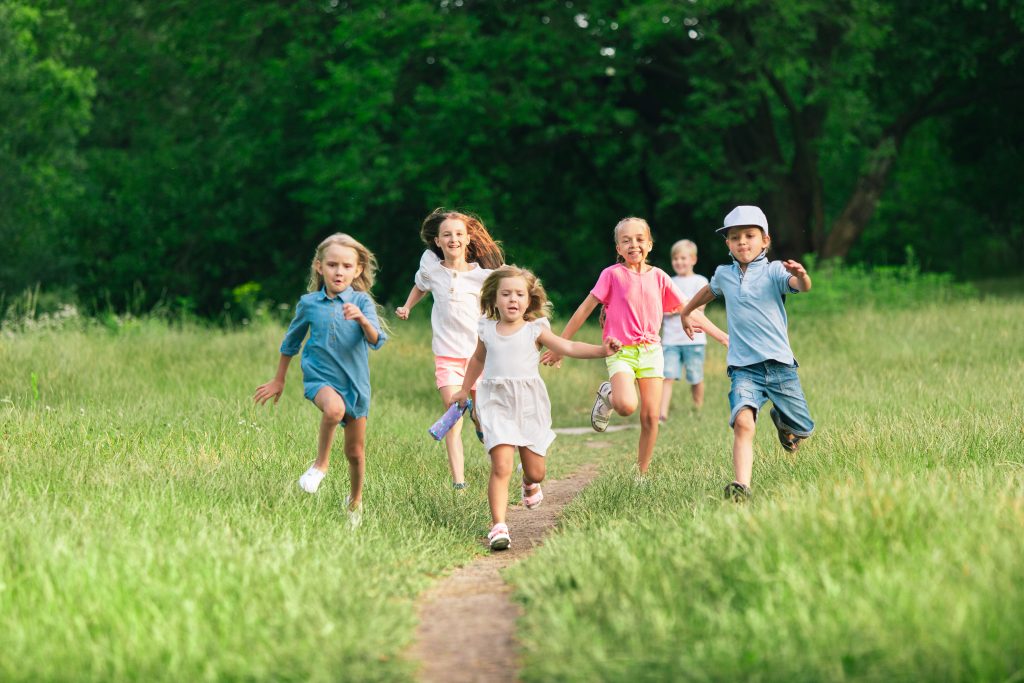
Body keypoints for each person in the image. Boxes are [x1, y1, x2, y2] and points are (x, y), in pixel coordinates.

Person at [541, 217, 728, 477]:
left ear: (649, 244)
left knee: (651, 418)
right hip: (621, 352)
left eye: (640, 239)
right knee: (627, 406)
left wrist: (723, 337)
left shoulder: (660, 277)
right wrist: (560, 345)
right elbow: (584, 309)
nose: (633, 245)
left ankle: (641, 474)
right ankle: (610, 395)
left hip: (652, 351)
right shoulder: (612, 275)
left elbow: (690, 310)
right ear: (618, 248)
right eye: (626, 240)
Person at [452, 266, 621, 550]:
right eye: (505, 294)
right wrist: (463, 388)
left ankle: (529, 484)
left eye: (519, 294)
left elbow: (568, 346)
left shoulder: (535, 329)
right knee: (501, 465)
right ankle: (498, 526)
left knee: (537, 471)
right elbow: (478, 360)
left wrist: (602, 350)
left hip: (529, 405)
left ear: (529, 300)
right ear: (494, 299)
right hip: (495, 402)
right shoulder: (486, 329)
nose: (512, 300)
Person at [680, 206, 814, 501]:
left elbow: (800, 287)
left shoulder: (775, 270)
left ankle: (784, 422)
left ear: (765, 240)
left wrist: (801, 276)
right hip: (744, 368)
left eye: (750, 236)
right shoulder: (724, 275)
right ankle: (742, 486)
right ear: (727, 243)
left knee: (803, 429)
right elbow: (708, 291)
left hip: (780, 366)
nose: (742, 242)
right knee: (743, 422)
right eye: (735, 237)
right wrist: (687, 311)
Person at [254, 233, 387, 526]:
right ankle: (319, 465)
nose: (339, 271)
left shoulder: (361, 302)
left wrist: (363, 320)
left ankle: (355, 503)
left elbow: (377, 340)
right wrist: (279, 380)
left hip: (355, 384)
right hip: (319, 377)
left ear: (358, 270)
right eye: (332, 265)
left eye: (346, 266)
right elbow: (291, 342)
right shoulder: (309, 304)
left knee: (355, 452)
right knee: (333, 409)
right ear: (319, 267)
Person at [395, 208, 504, 491]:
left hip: (478, 358)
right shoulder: (432, 268)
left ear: (468, 239)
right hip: (447, 357)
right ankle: (459, 483)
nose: (453, 239)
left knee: (481, 412)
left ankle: (481, 426)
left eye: (458, 234)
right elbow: (420, 286)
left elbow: (504, 301)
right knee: (454, 409)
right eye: (447, 235)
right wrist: (407, 306)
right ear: (438, 242)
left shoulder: (483, 276)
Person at [659, 239, 710, 421]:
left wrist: (678, 309)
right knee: (667, 376)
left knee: (695, 377)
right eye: (675, 258)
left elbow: (700, 309)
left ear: (693, 260)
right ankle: (662, 414)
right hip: (671, 340)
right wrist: (682, 308)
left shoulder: (700, 281)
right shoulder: (668, 282)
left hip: (694, 339)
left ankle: (698, 409)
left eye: (683, 258)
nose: (679, 262)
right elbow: (662, 308)